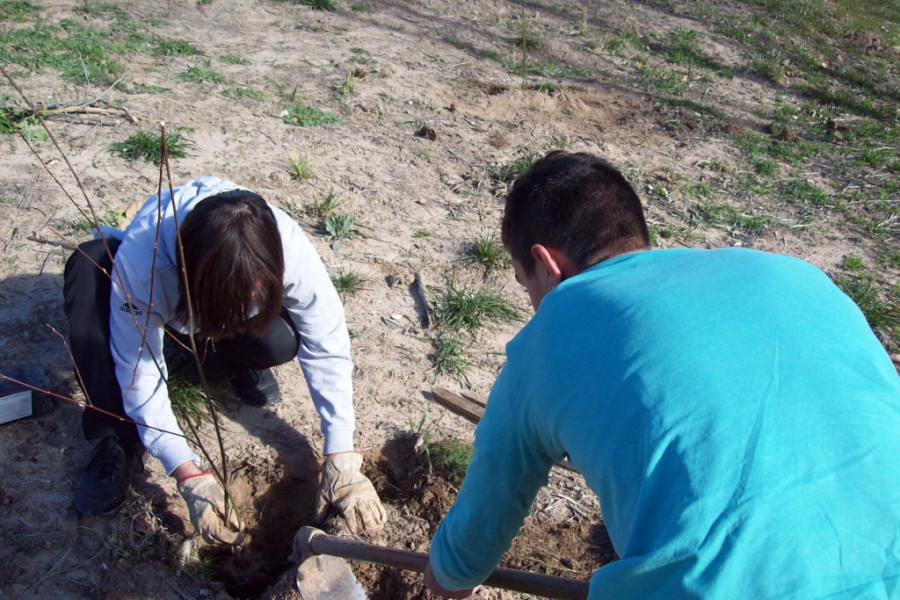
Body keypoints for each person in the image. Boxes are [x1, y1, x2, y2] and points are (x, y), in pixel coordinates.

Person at [424, 151, 900, 598]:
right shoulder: (799, 276)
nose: (533, 304)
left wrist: (446, 571)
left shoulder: (555, 328)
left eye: (524, 284)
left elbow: (476, 533)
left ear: (547, 265)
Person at [63, 176, 386, 544]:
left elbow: (326, 340)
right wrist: (186, 472)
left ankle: (234, 362)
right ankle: (116, 435)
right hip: (168, 313)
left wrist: (341, 452)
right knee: (87, 269)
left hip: (204, 317)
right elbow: (139, 374)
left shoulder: (288, 245)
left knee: (281, 340)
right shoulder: (143, 265)